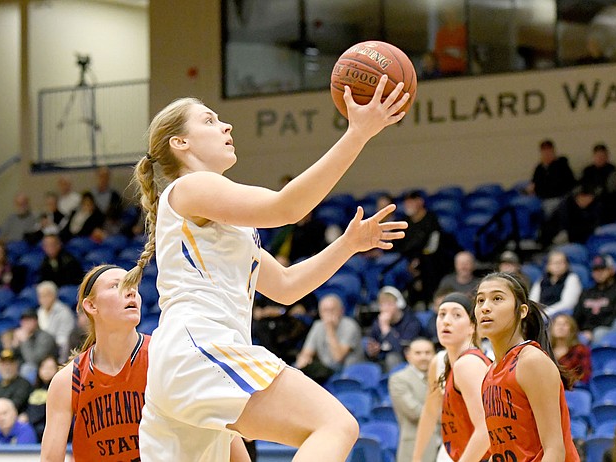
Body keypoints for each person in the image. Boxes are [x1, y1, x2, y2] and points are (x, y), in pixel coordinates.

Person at [117, 80, 410, 461]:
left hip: (182, 364)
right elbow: (286, 208)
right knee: (336, 425)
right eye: (209, 120)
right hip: (200, 348)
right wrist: (357, 134)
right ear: (180, 143)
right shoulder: (190, 188)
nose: (226, 127)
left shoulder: (223, 220)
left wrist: (348, 245)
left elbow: (287, 287)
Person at [41, 264, 151, 461]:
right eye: (117, 286)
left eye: (134, 285)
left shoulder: (161, 356)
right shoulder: (67, 381)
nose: (132, 291)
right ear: (91, 306)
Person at [474, 272, 580, 461]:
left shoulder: (531, 361)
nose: (485, 308)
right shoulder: (491, 372)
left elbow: (554, 451)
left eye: (497, 298)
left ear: (522, 311)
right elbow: (501, 451)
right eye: (480, 300)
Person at [412, 292, 491, 462]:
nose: (446, 321)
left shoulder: (470, 363)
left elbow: (486, 430)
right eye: (442, 314)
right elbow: (430, 411)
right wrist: (416, 457)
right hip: (454, 450)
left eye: (456, 315)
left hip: (482, 454)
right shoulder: (439, 361)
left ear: (472, 327)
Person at [388, 337, 439, 462]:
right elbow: (415, 412)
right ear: (408, 356)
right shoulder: (398, 379)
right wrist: (450, 416)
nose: (423, 357)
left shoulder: (440, 377)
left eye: (428, 353)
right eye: (418, 353)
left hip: (444, 447)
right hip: (414, 449)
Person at [295, 293, 365, 384]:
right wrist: (303, 360)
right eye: (325, 311)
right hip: (326, 372)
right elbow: (306, 352)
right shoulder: (318, 326)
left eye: (332, 310)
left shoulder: (350, 325)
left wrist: (330, 330)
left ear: (341, 311)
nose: (328, 314)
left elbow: (338, 358)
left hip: (348, 373)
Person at [393, 190, 444, 306]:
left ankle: (430, 301)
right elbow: (398, 245)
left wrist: (418, 259)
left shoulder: (430, 219)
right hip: (406, 259)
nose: (407, 206)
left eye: (410, 203)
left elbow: (433, 244)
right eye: (406, 203)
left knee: (428, 265)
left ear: (420, 202)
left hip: (430, 258)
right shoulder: (404, 221)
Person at [573, 254, 616, 343]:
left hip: (615, 331)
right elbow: (576, 317)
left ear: (612, 270)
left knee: (610, 326)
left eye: (602, 269)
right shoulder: (586, 293)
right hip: (588, 332)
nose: (598, 273)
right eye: (595, 270)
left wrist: (592, 331)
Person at [365, 286, 423, 371]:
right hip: (382, 360)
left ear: (399, 304)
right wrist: (372, 351)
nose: (385, 308)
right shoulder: (377, 323)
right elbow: (373, 344)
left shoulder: (411, 322)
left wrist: (386, 329)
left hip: (405, 362)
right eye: (382, 305)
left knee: (392, 357)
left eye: (389, 304)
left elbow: (402, 351)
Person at [526, 139, 576, 217]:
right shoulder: (539, 168)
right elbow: (534, 183)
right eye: (544, 151)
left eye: (549, 150)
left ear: (553, 151)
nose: (547, 153)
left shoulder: (562, 166)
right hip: (540, 198)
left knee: (549, 207)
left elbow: (566, 184)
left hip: (557, 198)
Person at [529, 250, 583, 318]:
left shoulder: (572, 278)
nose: (558, 266)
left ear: (567, 265)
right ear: (548, 266)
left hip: (562, 314)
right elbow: (533, 301)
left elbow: (568, 303)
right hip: (542, 315)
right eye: (554, 263)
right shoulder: (541, 280)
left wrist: (546, 313)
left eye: (561, 262)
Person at [12, 309, 58, 381]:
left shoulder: (45, 337)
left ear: (36, 321)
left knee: (27, 368)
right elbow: (12, 357)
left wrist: (25, 341)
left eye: (29, 320)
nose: (26, 324)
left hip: (44, 368)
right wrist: (15, 345)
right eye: (24, 321)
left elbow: (33, 361)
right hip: (26, 366)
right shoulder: (22, 335)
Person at [36, 281, 76, 362]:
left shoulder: (64, 312)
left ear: (54, 296)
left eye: (46, 296)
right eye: (41, 296)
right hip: (41, 349)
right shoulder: (39, 312)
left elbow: (64, 338)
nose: (43, 299)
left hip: (57, 350)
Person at [579, 143, 616, 224]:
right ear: (593, 156)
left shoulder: (612, 170)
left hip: (605, 199)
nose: (600, 158)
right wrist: (579, 196)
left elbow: (610, 189)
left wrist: (592, 196)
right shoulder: (587, 170)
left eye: (603, 155)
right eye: (598, 155)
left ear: (607, 156)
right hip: (586, 198)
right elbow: (581, 185)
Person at [22, 355, 59, 442]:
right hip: (30, 424)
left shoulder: (59, 390)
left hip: (47, 427)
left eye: (51, 368)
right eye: (44, 367)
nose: (47, 371)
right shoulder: (31, 389)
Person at [549, 314, 592, 385]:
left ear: (571, 329)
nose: (560, 327)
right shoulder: (546, 351)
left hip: (572, 389)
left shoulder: (580, 350)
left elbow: (585, 375)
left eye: (565, 324)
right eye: (557, 324)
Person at [0, 349, 33, 414]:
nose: (7, 368)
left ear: (16, 365)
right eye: (4, 364)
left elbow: (14, 405)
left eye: (10, 364)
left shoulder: (24, 384)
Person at [433, 8, 467, 76]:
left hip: (461, 70)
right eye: (447, 14)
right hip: (445, 70)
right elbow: (438, 51)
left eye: (452, 14)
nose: (450, 16)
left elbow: (465, 51)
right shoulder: (441, 33)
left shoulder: (463, 30)